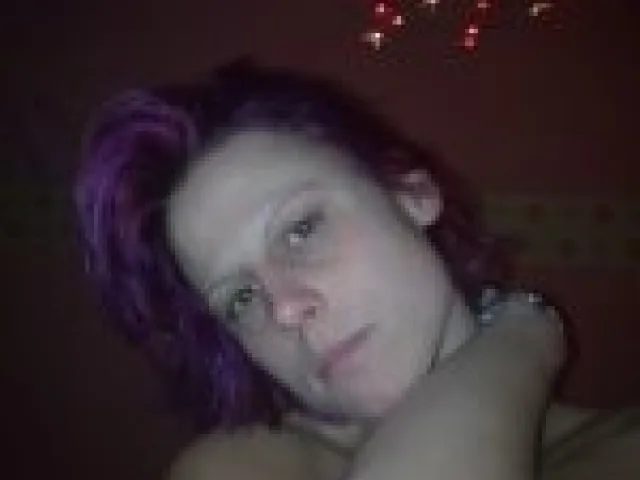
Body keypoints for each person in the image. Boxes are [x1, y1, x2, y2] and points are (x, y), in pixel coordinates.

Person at [74, 60, 639, 480]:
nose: (284, 309)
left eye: (302, 228)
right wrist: (523, 336)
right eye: (240, 298)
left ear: (412, 195)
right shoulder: (244, 469)